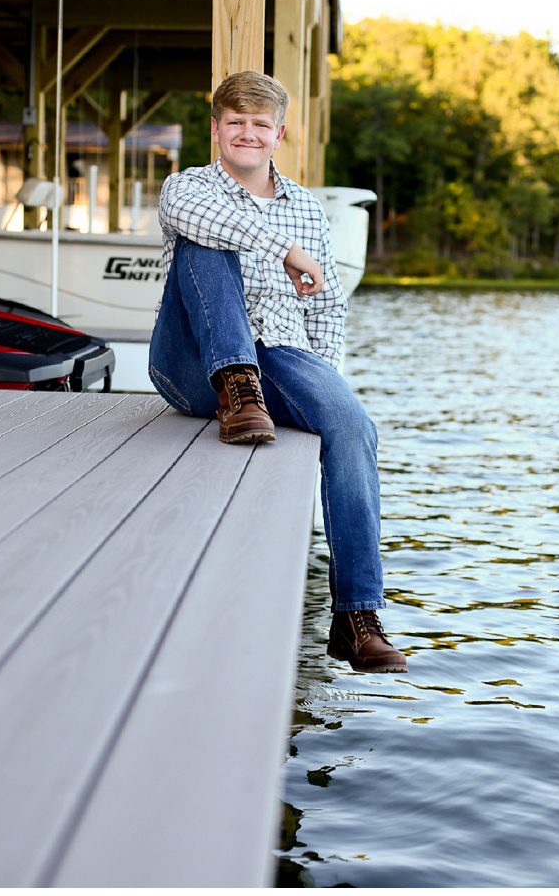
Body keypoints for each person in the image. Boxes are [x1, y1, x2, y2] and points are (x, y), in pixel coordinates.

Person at [149, 70, 405, 674]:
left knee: (352, 426)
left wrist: (326, 382)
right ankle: (235, 386)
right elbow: (218, 226)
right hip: (191, 362)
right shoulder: (185, 188)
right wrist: (284, 251)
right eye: (234, 122)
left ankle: (356, 617)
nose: (246, 133)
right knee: (203, 241)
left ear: (279, 133)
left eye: (259, 124)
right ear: (215, 130)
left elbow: (327, 299)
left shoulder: (308, 209)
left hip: (279, 357)